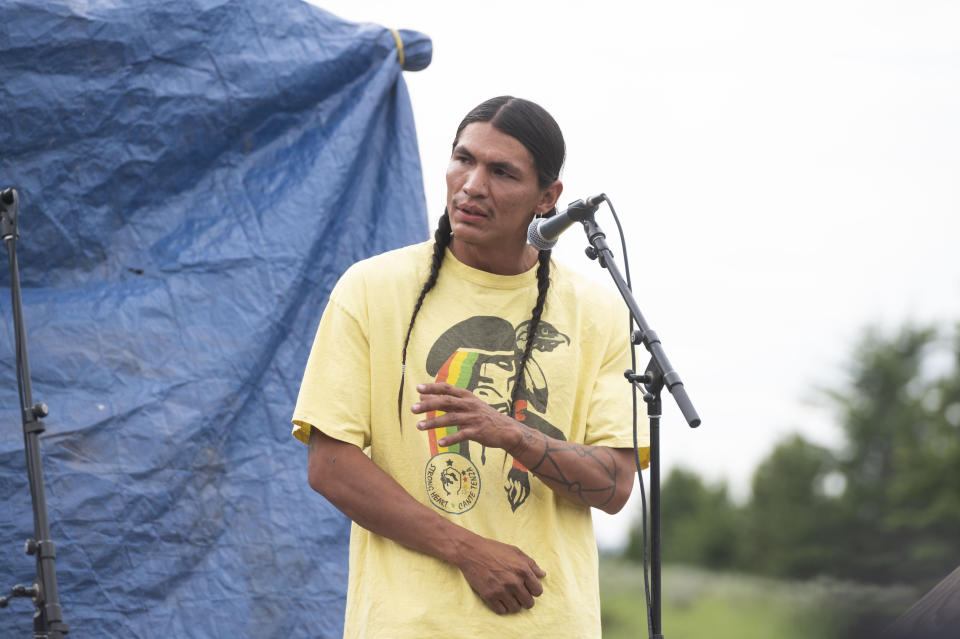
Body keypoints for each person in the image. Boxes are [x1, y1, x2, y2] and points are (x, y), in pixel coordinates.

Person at [292, 96, 650, 638]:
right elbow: (330, 465)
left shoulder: (598, 311)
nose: (472, 185)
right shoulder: (370, 289)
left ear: (548, 198)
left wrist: (511, 434)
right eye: (464, 159)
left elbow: (616, 487)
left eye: (502, 172)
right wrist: (467, 551)